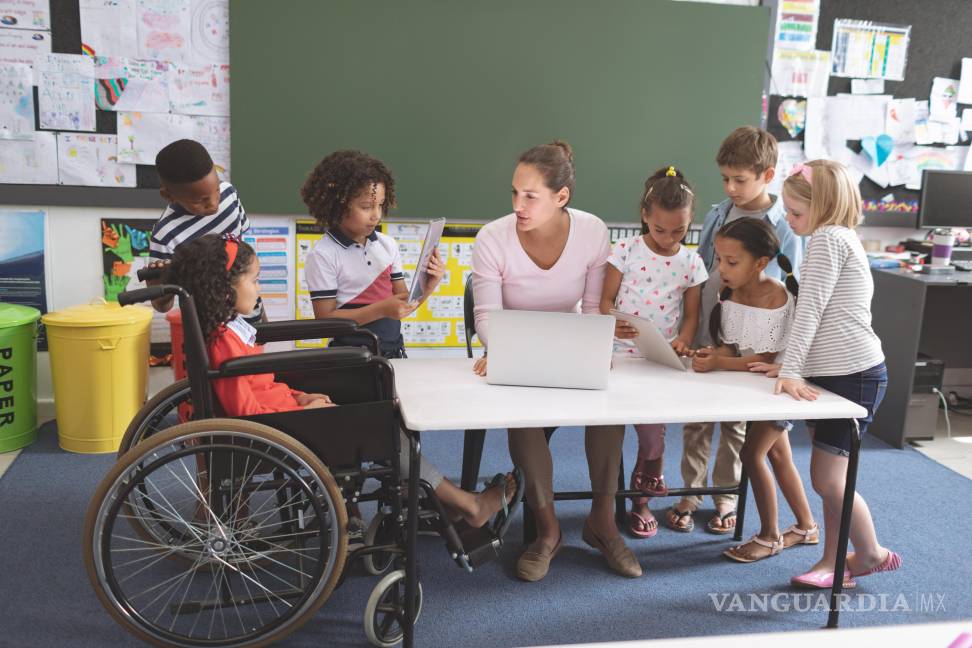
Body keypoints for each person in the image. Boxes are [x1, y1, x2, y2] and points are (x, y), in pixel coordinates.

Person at [166, 233, 517, 528]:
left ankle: (434, 496)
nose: (259, 290)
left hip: (284, 416)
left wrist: (299, 396)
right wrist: (301, 407)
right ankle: (467, 506)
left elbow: (258, 388)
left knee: (383, 414)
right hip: (275, 432)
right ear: (225, 289)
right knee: (387, 428)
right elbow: (250, 410)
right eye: (254, 280)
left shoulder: (228, 331)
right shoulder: (226, 340)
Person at [472, 140, 641, 580]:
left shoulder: (591, 231)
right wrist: (505, 350)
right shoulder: (492, 237)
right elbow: (486, 315)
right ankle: (548, 532)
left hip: (570, 345)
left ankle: (602, 524)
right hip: (517, 351)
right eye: (514, 193)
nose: (518, 205)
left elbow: (591, 307)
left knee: (609, 412)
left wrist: (596, 348)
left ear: (560, 197)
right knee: (524, 419)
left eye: (530, 196)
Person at [754, 160, 900, 588]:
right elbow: (815, 312)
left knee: (828, 480)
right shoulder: (836, 237)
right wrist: (790, 365)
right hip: (837, 372)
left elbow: (813, 310)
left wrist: (793, 370)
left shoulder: (828, 239)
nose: (791, 222)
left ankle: (870, 553)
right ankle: (834, 564)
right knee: (830, 481)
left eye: (796, 214)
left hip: (854, 375)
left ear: (823, 206)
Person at [668, 126, 804, 535]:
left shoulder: (784, 225)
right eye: (725, 178)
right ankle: (690, 493)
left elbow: (791, 285)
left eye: (739, 180)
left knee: (735, 424)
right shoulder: (717, 213)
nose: (730, 187)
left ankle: (725, 496)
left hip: (752, 341)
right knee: (696, 420)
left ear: (767, 175)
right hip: (713, 327)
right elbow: (704, 269)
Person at [691, 217, 817, 563]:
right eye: (719, 259)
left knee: (752, 455)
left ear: (761, 263)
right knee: (779, 455)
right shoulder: (726, 291)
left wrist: (719, 364)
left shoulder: (777, 295)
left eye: (732, 262)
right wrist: (713, 354)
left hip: (778, 390)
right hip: (753, 390)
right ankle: (807, 526)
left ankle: (769, 536)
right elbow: (733, 347)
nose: (722, 268)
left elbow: (763, 358)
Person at [599, 166, 707, 539]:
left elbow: (691, 316)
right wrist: (613, 321)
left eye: (679, 231)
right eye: (660, 230)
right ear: (645, 216)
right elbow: (605, 301)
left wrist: (683, 340)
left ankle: (641, 502)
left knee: (653, 435)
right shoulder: (625, 250)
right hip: (618, 355)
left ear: (691, 222)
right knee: (608, 431)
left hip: (659, 359)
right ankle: (604, 500)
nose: (668, 238)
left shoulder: (692, 262)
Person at [300, 150, 445, 359]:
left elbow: (401, 305)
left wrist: (428, 286)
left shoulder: (388, 246)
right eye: (366, 207)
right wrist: (382, 309)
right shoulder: (323, 255)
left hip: (394, 354)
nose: (376, 214)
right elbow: (326, 322)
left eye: (380, 205)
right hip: (351, 360)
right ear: (339, 204)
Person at [146, 139, 260, 321]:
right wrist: (160, 286)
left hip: (251, 317)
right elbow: (161, 306)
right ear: (168, 195)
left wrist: (262, 315)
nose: (214, 203)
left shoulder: (229, 195)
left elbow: (245, 263)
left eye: (216, 190)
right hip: (209, 330)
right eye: (200, 201)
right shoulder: (166, 234)